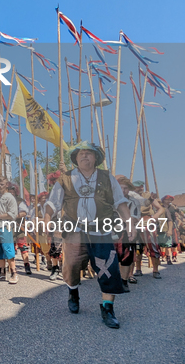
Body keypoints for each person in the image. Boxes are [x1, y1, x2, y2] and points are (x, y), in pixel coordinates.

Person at [45, 141, 134, 329]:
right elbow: (53, 203)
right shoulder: (65, 179)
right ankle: (73, 292)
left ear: (96, 158)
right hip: (74, 230)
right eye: (81, 153)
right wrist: (46, 221)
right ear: (76, 158)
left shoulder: (107, 178)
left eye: (89, 153)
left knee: (108, 268)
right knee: (71, 266)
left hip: (101, 231)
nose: (85, 156)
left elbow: (120, 201)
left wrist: (129, 223)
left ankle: (108, 309)